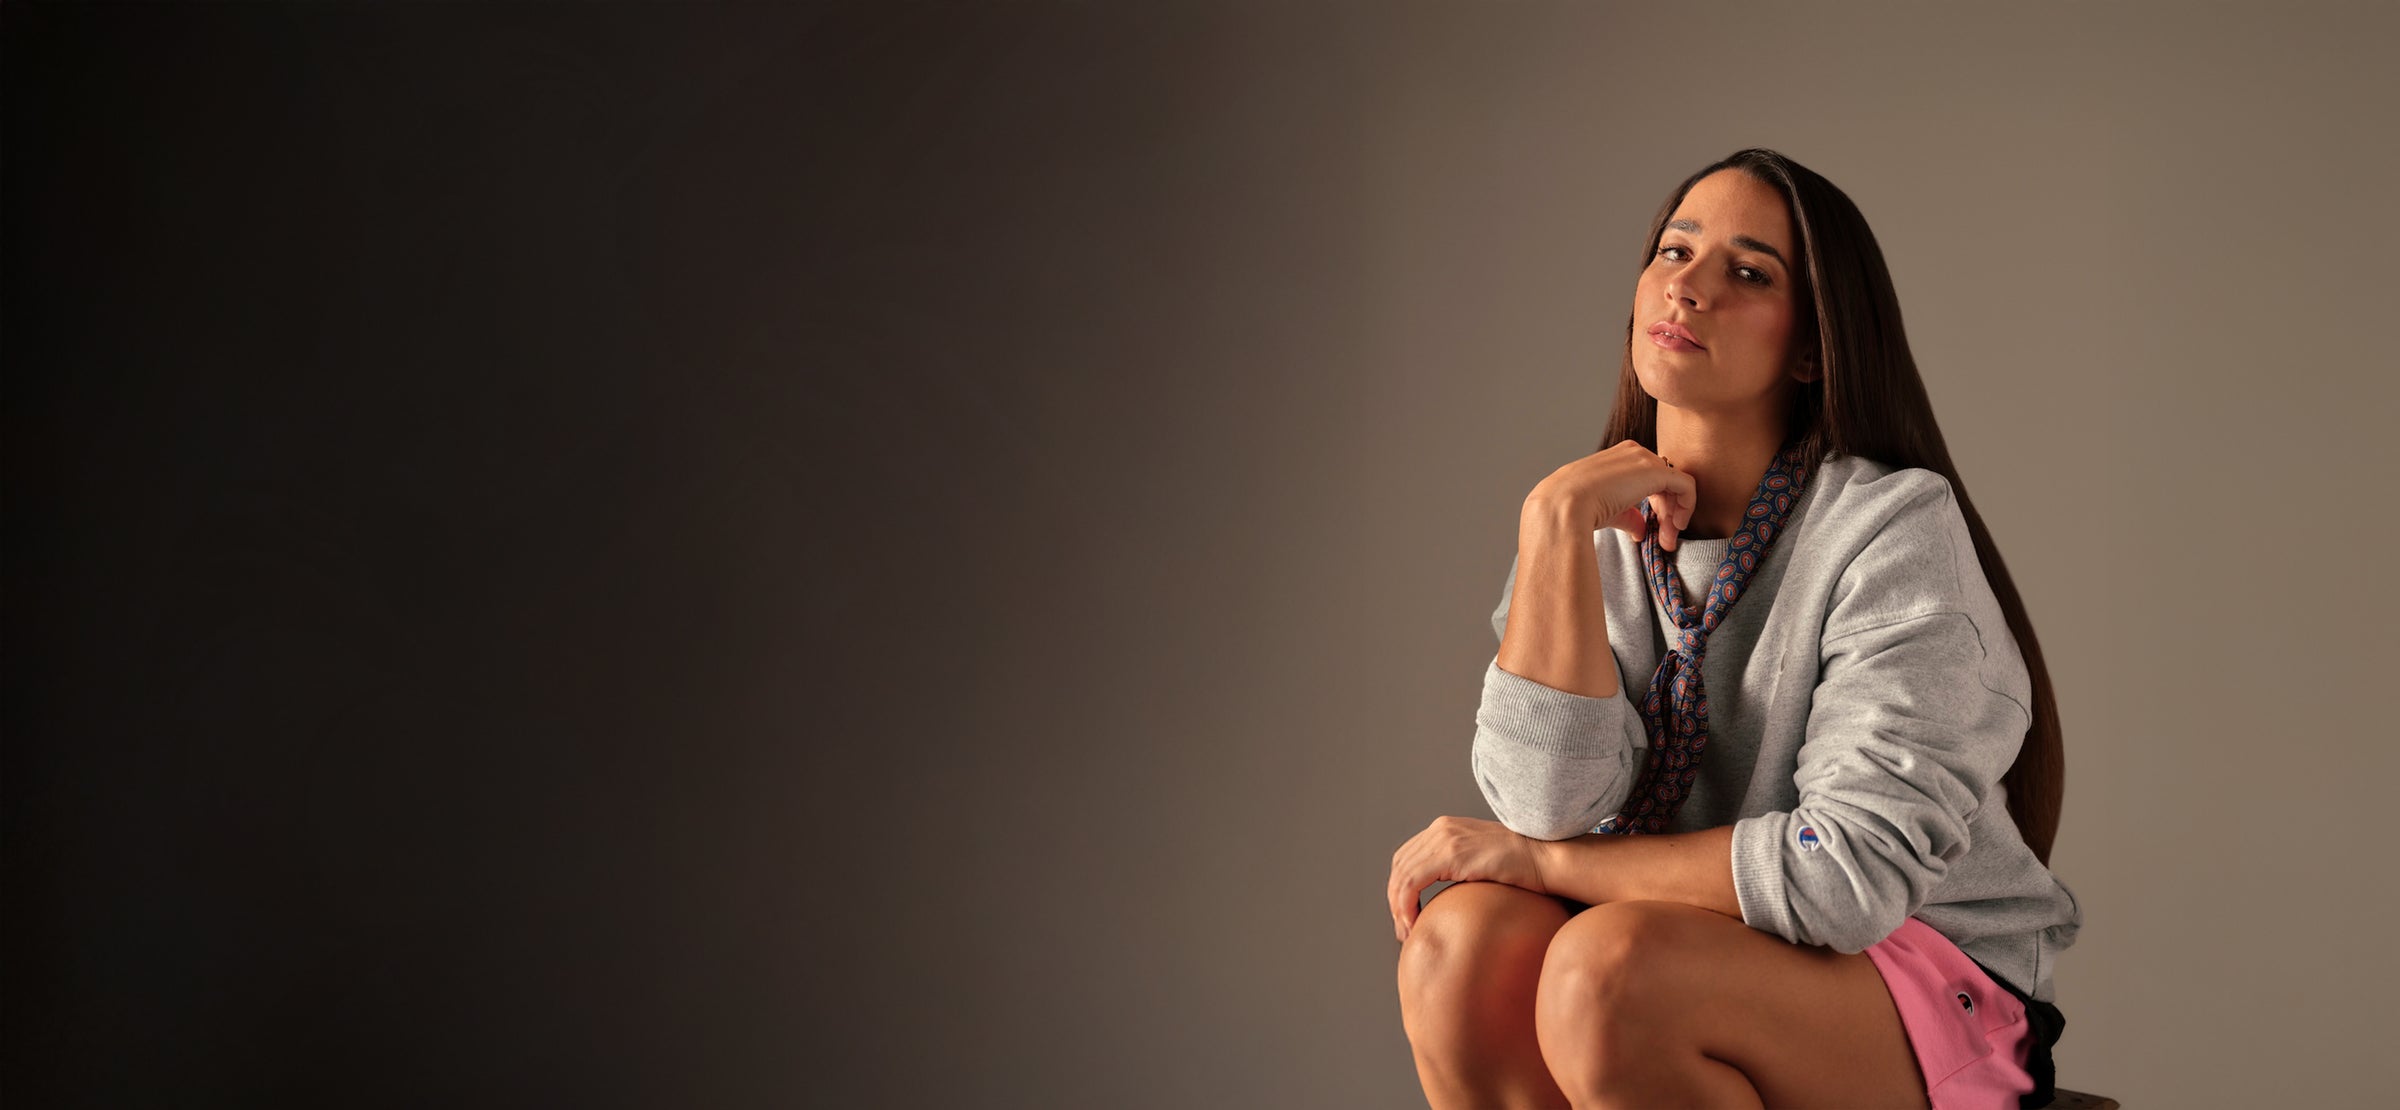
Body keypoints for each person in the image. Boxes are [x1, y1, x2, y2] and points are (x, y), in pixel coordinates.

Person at [1386, 148, 2082, 1110]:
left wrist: (1547, 867)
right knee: (1462, 947)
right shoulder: (1590, 531)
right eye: (1674, 250)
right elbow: (1543, 803)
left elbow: (1841, 878)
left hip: (1924, 991)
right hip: (1677, 959)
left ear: (1810, 346)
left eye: (1748, 272)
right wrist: (1551, 529)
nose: (1690, 285)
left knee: (1610, 969)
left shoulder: (1888, 530)